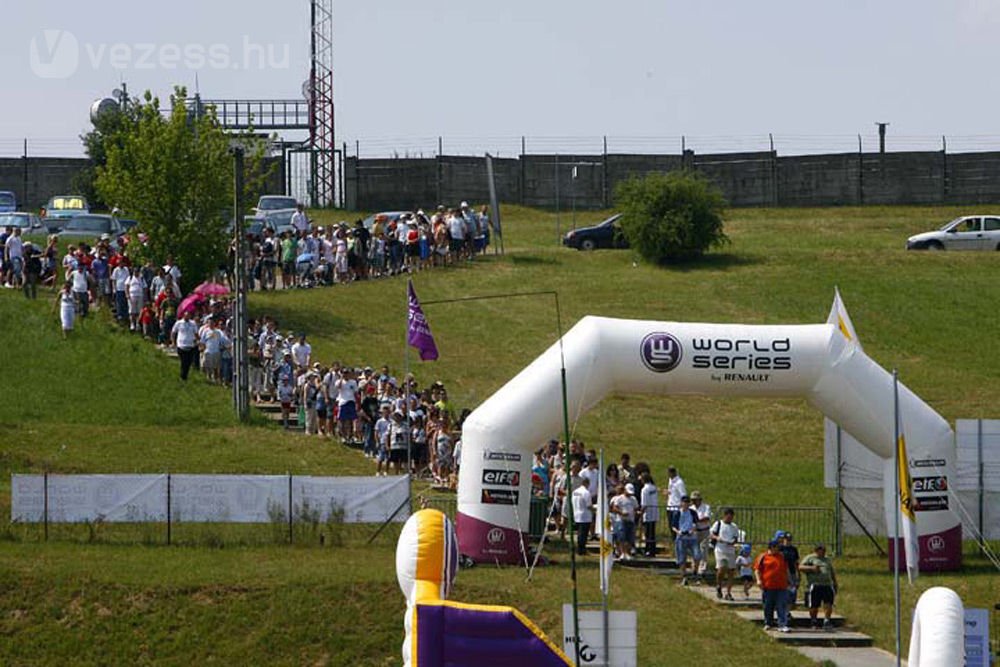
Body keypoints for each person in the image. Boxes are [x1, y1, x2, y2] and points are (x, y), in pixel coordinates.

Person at [799, 543, 838, 630]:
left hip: (827, 584)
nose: (823, 552)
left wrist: (835, 582)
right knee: (814, 605)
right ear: (816, 550)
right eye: (821, 550)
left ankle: (827, 620)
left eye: (824, 550)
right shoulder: (810, 558)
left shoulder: (827, 559)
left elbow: (831, 571)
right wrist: (812, 568)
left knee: (828, 603)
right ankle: (814, 620)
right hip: (815, 585)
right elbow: (800, 567)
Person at [754, 539, 790, 632]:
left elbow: (786, 570)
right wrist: (758, 580)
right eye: (777, 547)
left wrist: (789, 580)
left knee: (781, 605)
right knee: (768, 605)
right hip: (768, 586)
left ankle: (782, 624)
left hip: (781, 586)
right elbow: (757, 570)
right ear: (772, 547)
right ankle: (768, 623)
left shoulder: (782, 556)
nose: (778, 549)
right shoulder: (763, 557)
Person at [710, 507, 740, 600]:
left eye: (731, 517)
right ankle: (719, 585)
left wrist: (733, 542)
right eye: (728, 517)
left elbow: (735, 538)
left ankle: (728, 592)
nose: (730, 519)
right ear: (725, 516)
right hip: (720, 549)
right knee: (721, 568)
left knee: (731, 571)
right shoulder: (718, 524)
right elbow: (711, 534)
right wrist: (718, 538)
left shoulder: (734, 526)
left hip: (730, 550)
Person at [672, 495, 701, 585]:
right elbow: (673, 526)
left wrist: (692, 530)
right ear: (681, 503)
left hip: (692, 537)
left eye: (687, 503)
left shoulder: (692, 512)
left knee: (697, 555)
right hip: (681, 537)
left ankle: (695, 572)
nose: (685, 504)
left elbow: (696, 523)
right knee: (682, 558)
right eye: (684, 502)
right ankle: (684, 576)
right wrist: (678, 532)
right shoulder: (677, 513)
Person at [611, 483, 639, 560]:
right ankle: (622, 552)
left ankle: (627, 552)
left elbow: (636, 508)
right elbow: (614, 508)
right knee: (622, 537)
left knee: (629, 538)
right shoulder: (619, 498)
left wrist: (636, 513)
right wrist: (621, 512)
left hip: (631, 520)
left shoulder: (633, 499)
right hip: (621, 520)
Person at [663, 466, 687, 554]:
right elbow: (671, 491)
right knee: (671, 526)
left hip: (676, 507)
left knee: (676, 527)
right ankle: (675, 544)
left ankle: (679, 545)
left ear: (673, 473)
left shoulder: (679, 482)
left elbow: (683, 495)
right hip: (670, 506)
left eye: (669, 473)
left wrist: (682, 506)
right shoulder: (670, 480)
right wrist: (668, 492)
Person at [171, 311, 200, 381]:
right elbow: (173, 332)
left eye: (188, 315)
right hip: (181, 345)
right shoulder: (179, 323)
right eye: (186, 315)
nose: (187, 317)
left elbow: (196, 333)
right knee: (184, 361)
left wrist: (198, 340)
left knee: (189, 362)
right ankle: (183, 376)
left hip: (190, 345)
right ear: (183, 316)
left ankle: (185, 375)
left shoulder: (193, 323)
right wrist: (173, 342)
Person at [776, 531, 801, 608]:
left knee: (792, 591)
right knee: (783, 591)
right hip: (782, 572)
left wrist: (798, 574)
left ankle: (788, 610)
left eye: (789, 539)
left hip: (792, 571)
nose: (788, 541)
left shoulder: (794, 549)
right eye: (786, 539)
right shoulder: (780, 548)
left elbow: (796, 562)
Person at [691, 490, 712, 575]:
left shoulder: (706, 507)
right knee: (694, 550)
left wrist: (697, 520)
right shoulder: (691, 508)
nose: (694, 501)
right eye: (693, 500)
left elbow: (707, 518)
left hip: (704, 530)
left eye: (695, 500)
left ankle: (702, 569)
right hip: (695, 531)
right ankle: (694, 567)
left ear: (700, 500)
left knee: (703, 550)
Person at [638, 472, 659, 557]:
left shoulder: (644, 490)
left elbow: (644, 503)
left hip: (648, 513)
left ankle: (648, 550)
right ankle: (652, 549)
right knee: (652, 532)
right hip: (654, 512)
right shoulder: (653, 488)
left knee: (648, 533)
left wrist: (640, 513)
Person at [572, 477, 593, 556]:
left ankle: (580, 548)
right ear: (587, 483)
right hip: (585, 515)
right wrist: (595, 509)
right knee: (583, 534)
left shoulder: (575, 492)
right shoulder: (586, 492)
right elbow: (588, 505)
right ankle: (581, 549)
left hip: (577, 514)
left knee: (579, 533)